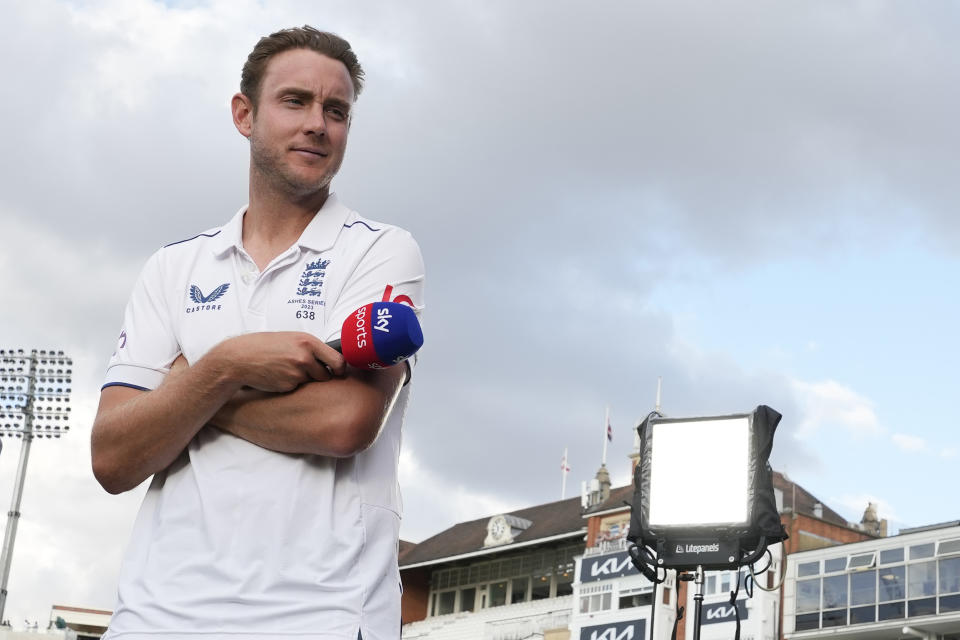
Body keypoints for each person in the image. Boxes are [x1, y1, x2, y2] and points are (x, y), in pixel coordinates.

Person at [91, 26, 425, 640]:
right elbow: (113, 457)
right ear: (244, 115)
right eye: (294, 101)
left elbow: (344, 423)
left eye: (336, 111)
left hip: (322, 616)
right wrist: (232, 367)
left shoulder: (382, 251)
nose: (318, 124)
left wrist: (194, 386)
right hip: (158, 618)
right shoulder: (173, 267)